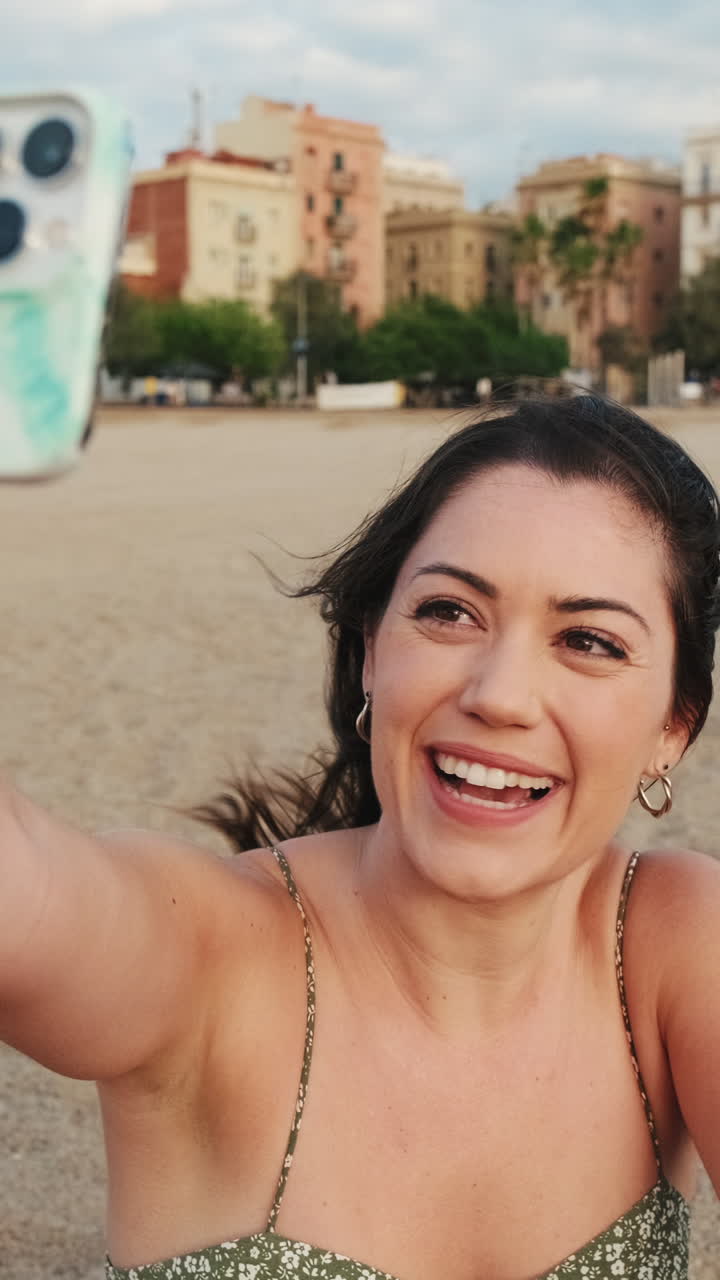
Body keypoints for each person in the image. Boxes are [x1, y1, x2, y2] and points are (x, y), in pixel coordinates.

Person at [2, 395, 719, 1280]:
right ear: (373, 646)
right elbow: (26, 896)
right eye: (451, 612)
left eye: (588, 640)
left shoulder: (671, 942)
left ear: (673, 726)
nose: (501, 694)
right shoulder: (209, 951)